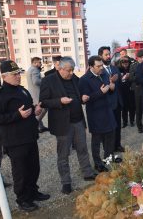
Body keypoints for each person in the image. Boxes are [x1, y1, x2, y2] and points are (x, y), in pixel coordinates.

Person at [0, 60, 50, 212]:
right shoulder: (0, 96)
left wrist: (34, 109)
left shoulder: (21, 90)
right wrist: (17, 115)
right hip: (15, 141)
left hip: (30, 136)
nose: (18, 76)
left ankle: (33, 192)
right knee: (21, 172)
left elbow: (27, 108)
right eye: (14, 74)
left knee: (34, 168)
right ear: (4, 76)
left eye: (18, 73)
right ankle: (22, 199)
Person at [40, 57, 96, 195]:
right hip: (62, 124)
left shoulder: (74, 78)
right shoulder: (48, 80)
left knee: (82, 148)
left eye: (72, 70)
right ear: (60, 68)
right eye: (68, 70)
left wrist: (83, 97)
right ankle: (66, 182)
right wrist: (59, 101)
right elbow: (44, 101)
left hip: (78, 121)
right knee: (63, 154)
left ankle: (87, 172)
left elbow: (80, 92)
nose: (71, 73)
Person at [78, 56, 117, 172]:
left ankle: (108, 158)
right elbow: (84, 99)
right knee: (96, 141)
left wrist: (111, 88)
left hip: (108, 111)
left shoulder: (104, 74)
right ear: (91, 67)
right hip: (95, 114)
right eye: (98, 66)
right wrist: (100, 92)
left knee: (110, 137)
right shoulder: (84, 80)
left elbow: (108, 90)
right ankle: (98, 163)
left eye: (101, 65)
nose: (101, 68)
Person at [98, 46, 124, 153]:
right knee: (108, 129)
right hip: (106, 104)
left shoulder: (114, 68)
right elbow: (99, 86)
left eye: (109, 54)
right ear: (100, 56)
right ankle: (109, 150)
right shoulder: (99, 70)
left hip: (117, 102)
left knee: (117, 126)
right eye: (106, 55)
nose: (109, 56)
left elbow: (119, 85)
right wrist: (110, 83)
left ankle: (117, 145)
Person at [27, 57, 49, 133]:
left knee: (39, 109)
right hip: (36, 93)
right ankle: (34, 124)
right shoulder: (34, 70)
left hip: (33, 92)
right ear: (35, 63)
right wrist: (45, 80)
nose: (40, 64)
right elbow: (36, 81)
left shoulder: (30, 69)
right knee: (43, 109)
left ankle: (41, 127)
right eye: (39, 62)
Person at [129, 49, 143, 133]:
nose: (142, 59)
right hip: (138, 89)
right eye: (141, 58)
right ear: (137, 58)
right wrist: (140, 78)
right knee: (138, 109)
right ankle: (140, 126)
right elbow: (131, 78)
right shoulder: (133, 66)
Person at [117, 56, 136, 128]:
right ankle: (125, 122)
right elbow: (118, 80)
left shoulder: (131, 68)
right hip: (123, 91)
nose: (125, 64)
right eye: (123, 63)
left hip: (131, 90)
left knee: (132, 107)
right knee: (124, 108)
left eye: (126, 63)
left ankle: (132, 121)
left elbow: (134, 77)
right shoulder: (118, 69)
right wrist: (123, 77)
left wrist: (129, 77)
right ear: (121, 63)